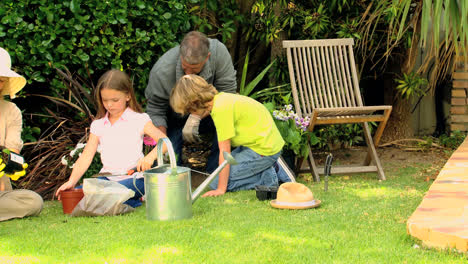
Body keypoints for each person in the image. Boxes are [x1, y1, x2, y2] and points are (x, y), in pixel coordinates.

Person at [55, 69, 167, 208]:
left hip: (135, 179)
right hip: (106, 179)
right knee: (78, 193)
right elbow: (86, 156)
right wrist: (71, 182)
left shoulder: (138, 119)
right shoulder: (98, 125)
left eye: (115, 100)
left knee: (106, 193)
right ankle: (127, 200)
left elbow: (165, 142)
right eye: (105, 100)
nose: (109, 105)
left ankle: (121, 198)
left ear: (127, 96)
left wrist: (149, 158)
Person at [170, 75, 291, 197]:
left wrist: (220, 189)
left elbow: (225, 153)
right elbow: (205, 110)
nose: (190, 114)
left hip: (264, 150)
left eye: (189, 111)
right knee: (217, 177)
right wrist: (195, 118)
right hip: (255, 145)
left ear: (195, 103)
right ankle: (265, 169)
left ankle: (269, 175)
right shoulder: (220, 99)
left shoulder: (221, 110)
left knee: (215, 183)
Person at [145, 31, 237, 173]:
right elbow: (156, 109)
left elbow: (228, 96)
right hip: (175, 118)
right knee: (168, 166)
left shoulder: (219, 54)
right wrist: (162, 142)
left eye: (194, 69)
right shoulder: (162, 71)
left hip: (211, 114)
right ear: (180, 55)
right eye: (185, 67)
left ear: (207, 57)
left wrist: (196, 117)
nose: (188, 73)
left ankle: (216, 172)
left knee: (229, 120)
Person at [0, 47, 43, 221]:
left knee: (34, 201)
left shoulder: (11, 111)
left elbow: (11, 153)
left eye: (1, 80)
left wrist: (7, 166)